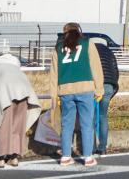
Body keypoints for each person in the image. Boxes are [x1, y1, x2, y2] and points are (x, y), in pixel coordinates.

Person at [50, 23, 104, 167]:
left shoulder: (58, 48)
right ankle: (88, 158)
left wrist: (54, 95)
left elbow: (54, 73)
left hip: (65, 90)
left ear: (64, 33)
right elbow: (96, 67)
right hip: (85, 88)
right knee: (87, 124)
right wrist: (99, 89)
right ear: (79, 31)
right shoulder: (87, 43)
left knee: (66, 125)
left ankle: (66, 157)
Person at [91, 37, 120, 155]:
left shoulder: (90, 50)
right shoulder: (109, 52)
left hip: (94, 85)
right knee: (103, 116)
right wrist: (113, 86)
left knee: (91, 117)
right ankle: (102, 148)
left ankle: (91, 147)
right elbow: (116, 70)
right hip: (109, 85)